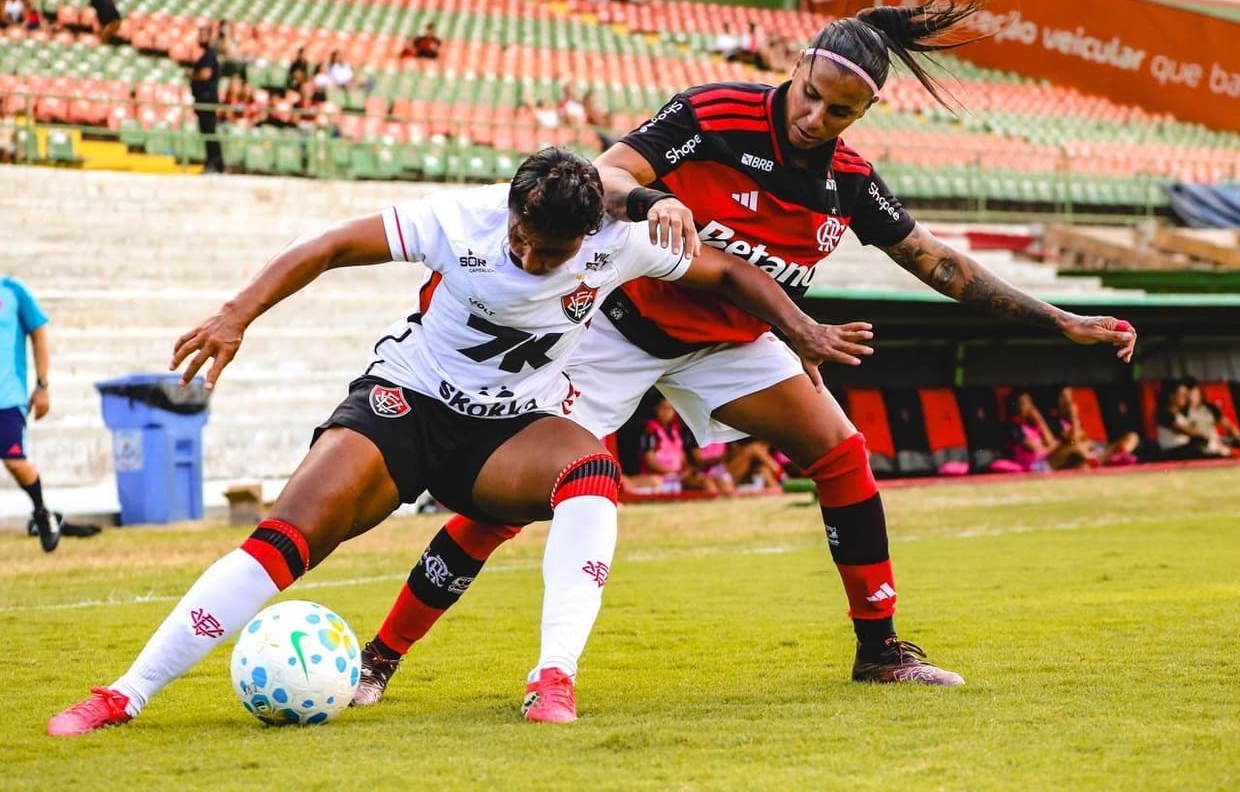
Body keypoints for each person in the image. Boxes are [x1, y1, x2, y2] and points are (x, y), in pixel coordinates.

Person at [354, 0, 1140, 721]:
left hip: (729, 344)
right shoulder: (715, 113)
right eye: (810, 96)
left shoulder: (849, 182)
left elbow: (939, 263)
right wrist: (655, 199)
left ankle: (880, 650)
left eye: (839, 111)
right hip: (616, 329)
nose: (815, 118)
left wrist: (1059, 320)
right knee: (503, 507)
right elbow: (606, 174)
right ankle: (381, 657)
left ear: (865, 112)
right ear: (796, 68)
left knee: (841, 452)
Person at [45, 147, 852, 736]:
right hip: (406, 405)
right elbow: (329, 247)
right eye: (522, 238)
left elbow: (729, 274)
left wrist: (800, 329)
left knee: (592, 470)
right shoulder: (458, 221)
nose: (529, 256)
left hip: (506, 433)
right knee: (288, 537)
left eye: (550, 253)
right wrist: (236, 314)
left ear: (588, 237)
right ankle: (123, 694)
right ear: (510, 210)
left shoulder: (618, 241)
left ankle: (553, 678)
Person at [1, 276, 59, 552]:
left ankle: (41, 512)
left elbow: (39, 332)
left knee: (15, 463)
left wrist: (42, 385)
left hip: (7, 397)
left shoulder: (12, 291)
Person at [1049, 385, 1139, 468]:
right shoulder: (1056, 421)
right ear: (1058, 400)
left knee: (1132, 436)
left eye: (1070, 395)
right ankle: (1100, 462)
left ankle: (1118, 456)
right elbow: (1072, 441)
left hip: (1093, 450)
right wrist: (1074, 417)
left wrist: (1087, 441)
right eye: (1064, 396)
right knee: (1077, 448)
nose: (1068, 400)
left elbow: (1084, 437)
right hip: (1075, 453)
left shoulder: (1070, 418)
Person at [1155, 379, 1220, 460]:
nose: (1186, 398)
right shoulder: (1164, 413)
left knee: (1204, 444)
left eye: (1186, 395)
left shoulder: (1181, 414)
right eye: (1182, 395)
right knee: (1200, 443)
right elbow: (1186, 431)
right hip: (1171, 451)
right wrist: (1205, 436)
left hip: (1185, 448)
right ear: (1172, 396)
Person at [189, 26, 224, 173]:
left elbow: (205, 74)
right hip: (203, 99)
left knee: (209, 132)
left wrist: (191, 75)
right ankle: (215, 162)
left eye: (204, 35)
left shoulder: (209, 55)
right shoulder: (207, 55)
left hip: (207, 100)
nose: (201, 38)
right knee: (208, 132)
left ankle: (214, 162)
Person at [1183, 377, 1240, 453]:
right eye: (1186, 394)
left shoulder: (1210, 407)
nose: (1190, 397)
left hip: (1215, 445)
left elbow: (1228, 425)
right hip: (1195, 446)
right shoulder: (1183, 411)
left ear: (1199, 392)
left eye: (1192, 393)